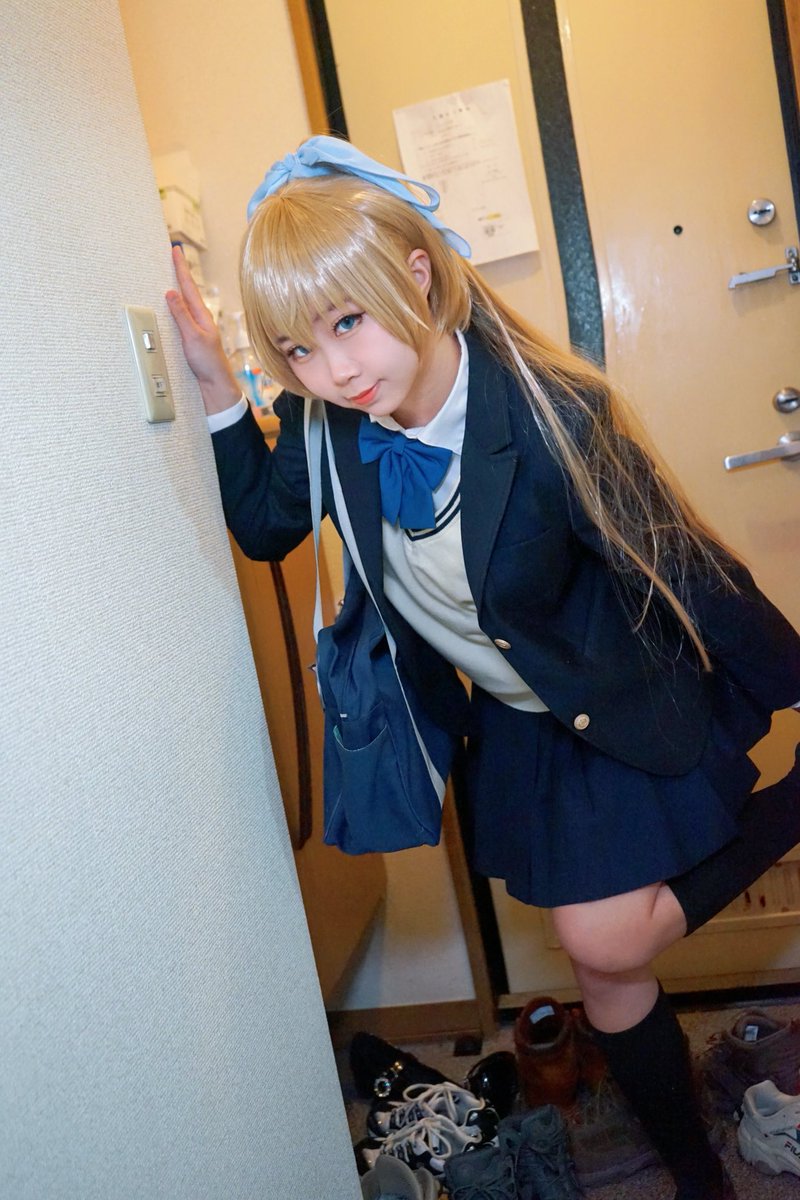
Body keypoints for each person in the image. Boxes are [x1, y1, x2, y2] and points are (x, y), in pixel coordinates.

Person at [167, 136, 800, 1200]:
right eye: (297, 349)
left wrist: (788, 677)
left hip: (606, 692)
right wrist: (219, 391)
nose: (333, 371)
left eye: (347, 322)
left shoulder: (554, 413)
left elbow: (682, 562)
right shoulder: (328, 421)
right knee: (605, 970)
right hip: (511, 717)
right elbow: (269, 526)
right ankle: (698, 1173)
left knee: (601, 937)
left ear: (415, 275)